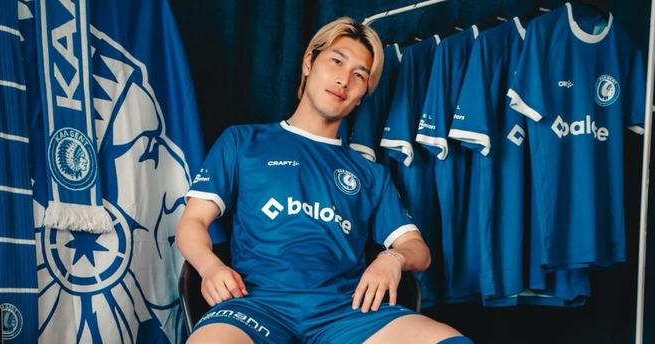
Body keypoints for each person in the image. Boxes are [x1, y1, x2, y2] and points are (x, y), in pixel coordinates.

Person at [176, 17, 471, 343]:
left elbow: (418, 250)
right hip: (255, 305)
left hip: (346, 313)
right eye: (336, 61)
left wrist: (392, 258)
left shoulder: (369, 173)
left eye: (359, 75)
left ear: (363, 94)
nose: (344, 80)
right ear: (308, 63)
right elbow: (192, 222)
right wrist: (210, 267)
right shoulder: (243, 142)